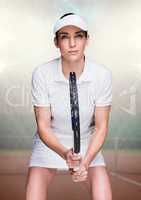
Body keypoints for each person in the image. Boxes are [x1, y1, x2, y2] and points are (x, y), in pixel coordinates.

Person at [26, 13, 112, 200]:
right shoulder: (41, 74)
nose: (72, 44)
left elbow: (101, 127)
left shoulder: (102, 75)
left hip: (88, 144)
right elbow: (43, 126)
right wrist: (65, 153)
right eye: (65, 37)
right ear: (56, 42)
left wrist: (86, 162)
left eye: (78, 36)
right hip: (49, 143)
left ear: (87, 40)